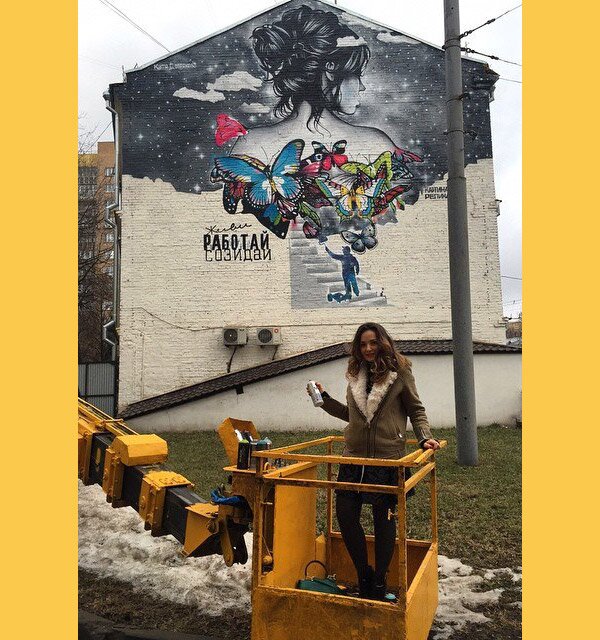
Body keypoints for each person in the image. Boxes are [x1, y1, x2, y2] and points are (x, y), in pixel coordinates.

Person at [308, 323, 440, 600]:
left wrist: (425, 438)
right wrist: (324, 399)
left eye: (373, 343)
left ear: (383, 343)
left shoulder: (400, 372)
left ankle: (380, 581)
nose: (368, 349)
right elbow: (352, 415)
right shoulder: (356, 374)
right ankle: (363, 574)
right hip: (353, 457)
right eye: (363, 344)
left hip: (387, 459)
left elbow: (416, 410)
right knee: (346, 516)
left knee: (384, 521)